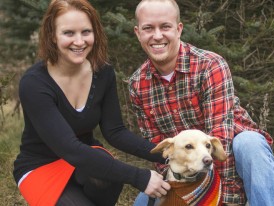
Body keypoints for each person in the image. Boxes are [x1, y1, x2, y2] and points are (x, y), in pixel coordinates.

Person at [128, 0, 274, 205]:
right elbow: (159, 150)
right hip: (187, 170)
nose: (157, 36)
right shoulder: (137, 84)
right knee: (142, 202)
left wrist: (226, 200)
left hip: (232, 163)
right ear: (138, 32)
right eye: (148, 28)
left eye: (165, 26)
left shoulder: (210, 65)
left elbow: (220, 138)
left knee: (250, 143)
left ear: (178, 29)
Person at [13, 0, 170, 205]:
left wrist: (168, 155)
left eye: (86, 32)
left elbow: (115, 132)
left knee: (107, 176)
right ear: (52, 35)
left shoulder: (103, 72)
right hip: (41, 167)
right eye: (69, 33)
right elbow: (69, 148)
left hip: (87, 160)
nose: (79, 42)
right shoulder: (34, 83)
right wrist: (139, 177)